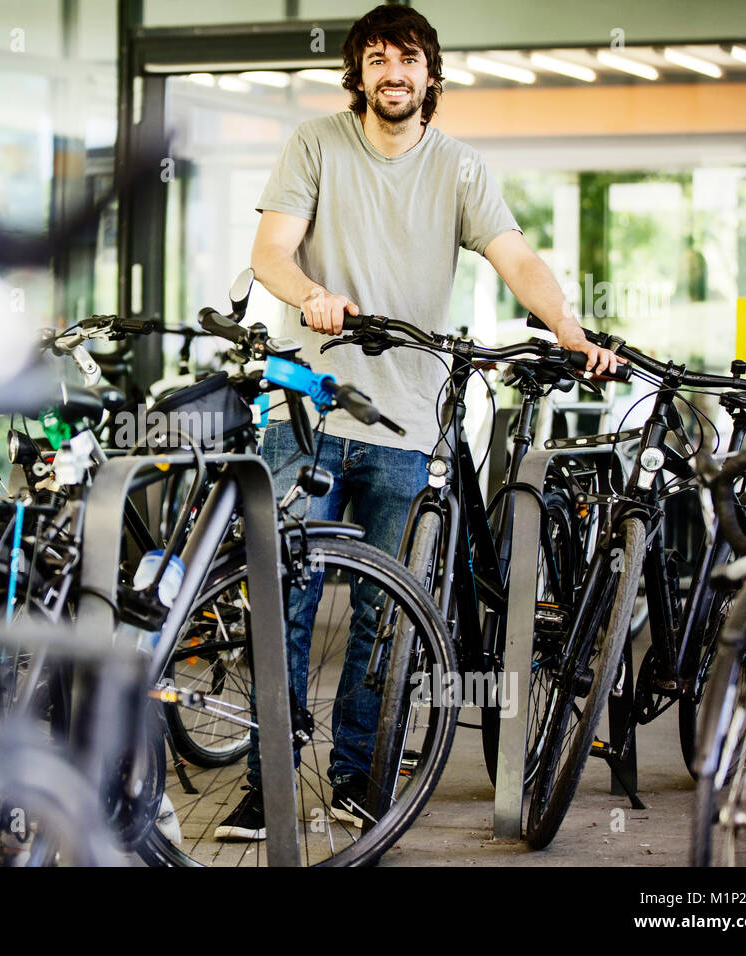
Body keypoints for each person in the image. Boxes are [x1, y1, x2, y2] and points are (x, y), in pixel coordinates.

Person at [213, 3, 620, 842]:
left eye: (408, 59)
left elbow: (516, 257)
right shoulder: (316, 144)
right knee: (282, 598)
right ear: (357, 73)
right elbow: (270, 253)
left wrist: (568, 329)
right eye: (376, 59)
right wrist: (309, 296)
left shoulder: (460, 169)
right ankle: (269, 785)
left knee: (382, 612)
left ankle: (358, 777)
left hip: (407, 424)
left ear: (430, 76)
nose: (392, 73)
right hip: (307, 414)